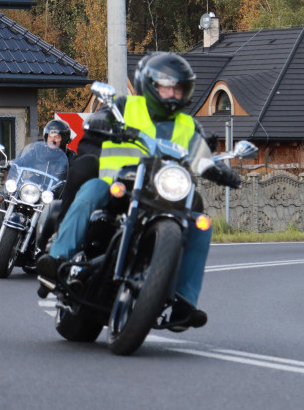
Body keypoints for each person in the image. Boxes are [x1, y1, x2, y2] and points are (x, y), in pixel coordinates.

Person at [36, 52, 241, 330]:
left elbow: (202, 156)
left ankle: (184, 301)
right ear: (150, 85)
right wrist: (100, 121)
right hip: (117, 186)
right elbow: (99, 119)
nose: (172, 94)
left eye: (177, 88)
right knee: (91, 189)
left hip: (161, 194)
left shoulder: (187, 125)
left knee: (201, 223)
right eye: (166, 87)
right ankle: (58, 256)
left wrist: (222, 171)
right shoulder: (125, 106)